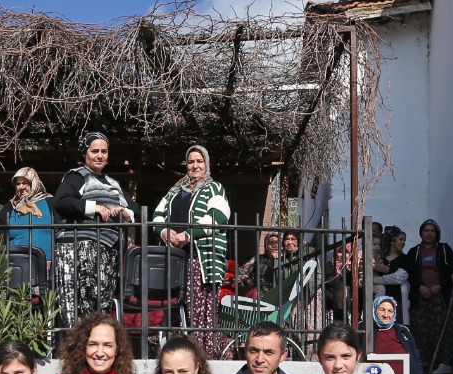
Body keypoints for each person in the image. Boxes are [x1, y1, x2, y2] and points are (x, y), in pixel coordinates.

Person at [151, 144, 232, 357]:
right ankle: (177, 353)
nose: (195, 165)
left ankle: (202, 355)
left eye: (199, 161)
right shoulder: (175, 190)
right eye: (191, 161)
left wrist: (187, 235)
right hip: (175, 258)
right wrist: (164, 233)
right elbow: (158, 215)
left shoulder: (214, 188)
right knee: (176, 305)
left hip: (199, 258)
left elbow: (219, 216)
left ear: (206, 164)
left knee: (199, 306)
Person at [53, 132, 134, 326]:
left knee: (100, 309)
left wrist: (123, 211)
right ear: (85, 153)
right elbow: (61, 201)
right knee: (78, 308)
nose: (100, 156)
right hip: (78, 252)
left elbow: (135, 209)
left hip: (107, 253)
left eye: (104, 151)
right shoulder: (77, 177)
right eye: (94, 151)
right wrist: (95, 207)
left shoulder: (114, 184)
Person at [406, 219, 453, 368]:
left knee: (439, 329)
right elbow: (410, 273)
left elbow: (451, 270)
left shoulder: (445, 250)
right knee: (421, 329)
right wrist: (420, 287)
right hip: (420, 297)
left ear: (437, 234)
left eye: (432, 231)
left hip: (439, 296)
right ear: (421, 233)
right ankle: (423, 363)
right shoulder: (414, 252)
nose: (429, 233)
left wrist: (440, 286)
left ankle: (439, 363)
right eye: (426, 230)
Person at [372, 294, 424, 374]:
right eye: (382, 310)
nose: (386, 315)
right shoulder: (367, 331)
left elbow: (416, 359)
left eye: (390, 311)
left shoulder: (403, 331)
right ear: (375, 310)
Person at [6, 166, 54, 263]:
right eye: (18, 184)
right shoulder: (10, 206)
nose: (21, 187)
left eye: (25, 183)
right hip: (17, 263)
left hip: (46, 261)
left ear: (34, 183)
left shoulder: (50, 202)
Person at [237, 232, 284, 302]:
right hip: (260, 299)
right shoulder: (258, 259)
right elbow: (239, 271)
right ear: (266, 244)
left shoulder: (285, 259)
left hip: (280, 298)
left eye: (277, 242)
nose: (274, 246)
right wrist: (248, 280)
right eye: (271, 243)